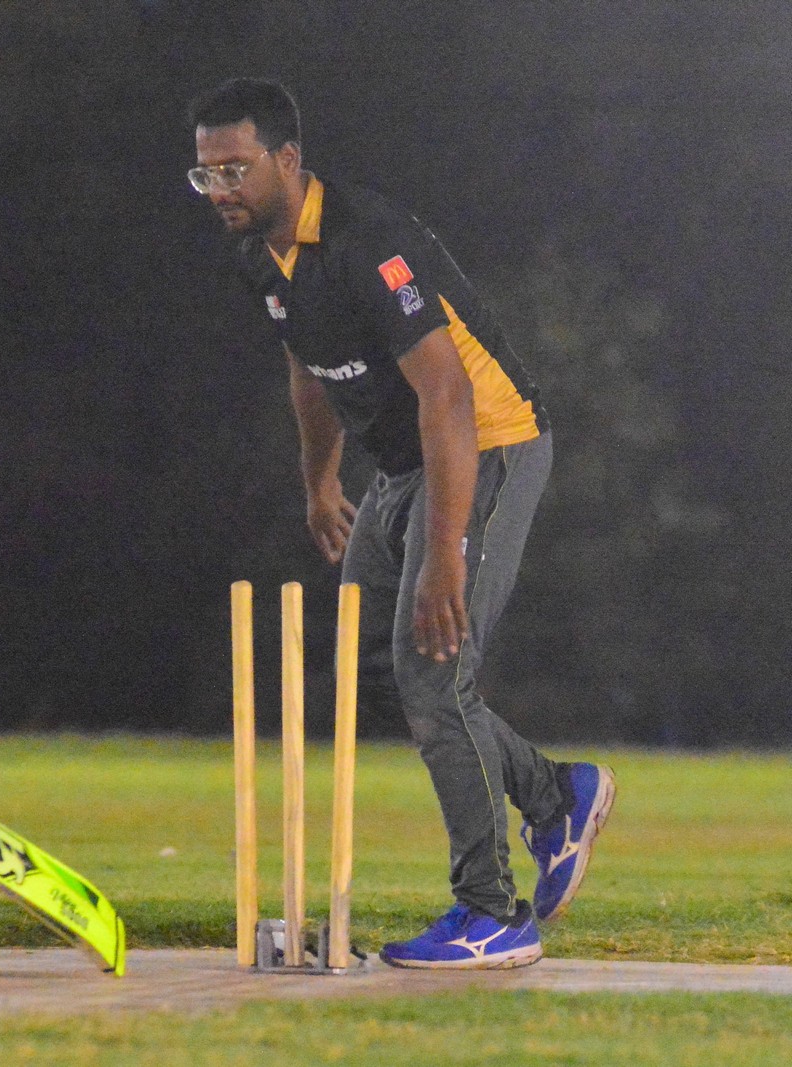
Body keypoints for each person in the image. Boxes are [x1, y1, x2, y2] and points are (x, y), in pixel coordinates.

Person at [187, 79, 616, 969]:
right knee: (372, 666)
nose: (220, 189)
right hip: (403, 465)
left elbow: (448, 395)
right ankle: (554, 795)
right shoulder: (261, 257)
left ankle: (493, 913)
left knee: (434, 670)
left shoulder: (363, 238)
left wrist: (445, 556)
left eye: (235, 169)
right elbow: (309, 371)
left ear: (287, 159)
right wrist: (320, 482)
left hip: (486, 444)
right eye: (206, 174)